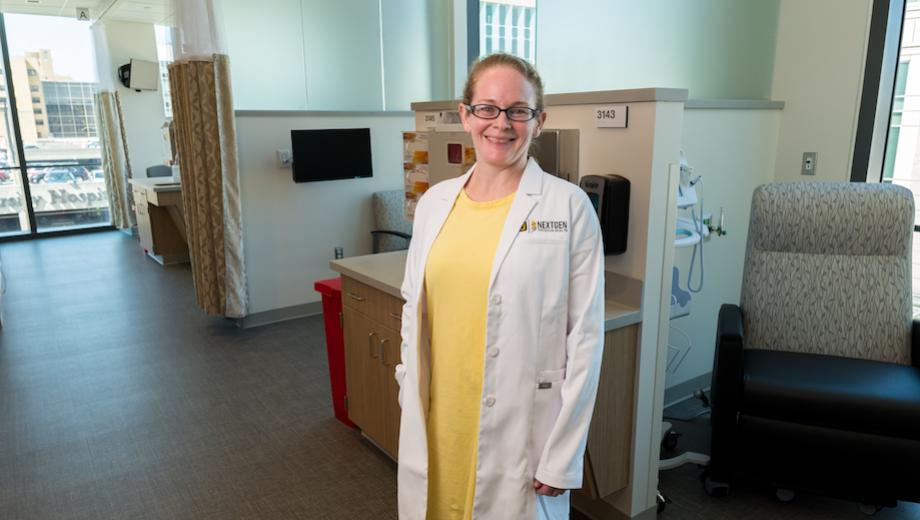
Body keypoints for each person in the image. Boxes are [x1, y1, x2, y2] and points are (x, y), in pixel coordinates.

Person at [395, 53, 605, 520]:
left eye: (518, 110)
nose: (502, 123)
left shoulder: (569, 209)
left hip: (523, 430)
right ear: (466, 114)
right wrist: (408, 386)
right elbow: (414, 308)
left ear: (539, 121)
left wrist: (563, 454)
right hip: (439, 421)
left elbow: (586, 342)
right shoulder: (434, 204)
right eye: (487, 108)